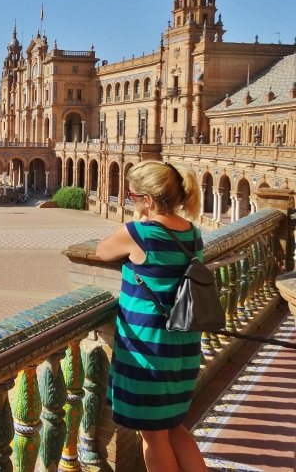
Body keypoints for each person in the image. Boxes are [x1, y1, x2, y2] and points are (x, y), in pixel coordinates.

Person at [95, 161, 207, 472]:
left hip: (149, 349)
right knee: (173, 427)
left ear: (148, 198)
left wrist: (135, 219)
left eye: (132, 195)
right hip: (184, 345)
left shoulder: (138, 233)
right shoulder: (193, 233)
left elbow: (102, 252)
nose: (130, 200)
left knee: (154, 436)